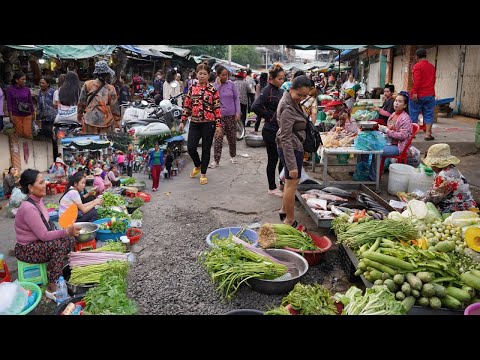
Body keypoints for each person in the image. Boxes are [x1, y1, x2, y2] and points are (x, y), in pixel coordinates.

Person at [15, 169, 80, 300]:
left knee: (69, 239)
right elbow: (44, 236)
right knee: (59, 245)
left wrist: (65, 231)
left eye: (44, 181)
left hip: (37, 243)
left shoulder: (38, 201)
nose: (45, 184)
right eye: (41, 182)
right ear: (31, 187)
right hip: (26, 249)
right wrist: (66, 231)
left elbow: (48, 225)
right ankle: (52, 288)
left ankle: (53, 265)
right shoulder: (28, 208)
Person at [276, 75, 312, 227]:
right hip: (290, 148)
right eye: (299, 94)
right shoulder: (288, 107)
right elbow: (285, 137)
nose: (302, 98)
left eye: (305, 95)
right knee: (291, 185)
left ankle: (284, 210)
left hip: (292, 146)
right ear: (291, 90)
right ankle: (289, 220)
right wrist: (292, 166)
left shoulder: (291, 100)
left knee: (288, 184)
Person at [179, 63, 221, 185]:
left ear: (209, 75)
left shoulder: (213, 90)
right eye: (200, 73)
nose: (202, 76)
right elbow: (187, 106)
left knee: (206, 149)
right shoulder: (192, 89)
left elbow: (217, 108)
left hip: (209, 123)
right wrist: (182, 121)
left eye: (204, 74)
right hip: (195, 123)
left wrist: (218, 125)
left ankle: (203, 173)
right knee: (191, 147)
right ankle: (197, 165)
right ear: (197, 74)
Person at [360, 91, 413, 181]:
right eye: (396, 101)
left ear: (404, 105)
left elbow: (403, 136)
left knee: (377, 151)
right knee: (366, 145)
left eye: (400, 101)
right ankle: (362, 172)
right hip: (389, 142)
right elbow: (389, 130)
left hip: (399, 146)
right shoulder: (393, 114)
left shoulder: (405, 118)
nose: (396, 103)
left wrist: (387, 131)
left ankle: (373, 178)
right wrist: (382, 130)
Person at [251, 63, 286, 197]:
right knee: (273, 159)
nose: (282, 81)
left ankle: (281, 184)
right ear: (271, 78)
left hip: (280, 130)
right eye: (279, 79)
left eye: (283, 79)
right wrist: (270, 116)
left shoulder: (281, 91)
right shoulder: (268, 90)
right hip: (270, 130)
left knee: (282, 159)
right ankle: (271, 187)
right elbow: (255, 106)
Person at [420, 144, 477, 213]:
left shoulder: (445, 176)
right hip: (465, 204)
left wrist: (416, 205)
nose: (431, 167)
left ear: (436, 164)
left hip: (461, 208)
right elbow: (433, 191)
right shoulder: (450, 168)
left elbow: (433, 198)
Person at [77, 60, 121, 135]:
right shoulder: (111, 88)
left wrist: (79, 116)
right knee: (105, 143)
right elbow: (115, 109)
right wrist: (117, 124)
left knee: (89, 143)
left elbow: (81, 103)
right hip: (106, 123)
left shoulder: (88, 85)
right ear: (107, 74)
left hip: (89, 121)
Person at [210, 65, 240, 168]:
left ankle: (233, 156)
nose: (225, 77)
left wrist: (237, 112)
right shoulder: (213, 86)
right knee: (218, 138)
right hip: (219, 116)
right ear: (218, 75)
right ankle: (216, 160)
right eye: (223, 75)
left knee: (232, 137)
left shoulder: (232, 85)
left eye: (226, 75)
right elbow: (213, 98)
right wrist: (218, 85)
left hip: (231, 115)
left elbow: (236, 99)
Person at [409, 48, 436, 141]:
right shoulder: (432, 66)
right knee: (429, 114)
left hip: (418, 94)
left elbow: (417, 80)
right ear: (425, 55)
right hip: (430, 94)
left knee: (414, 113)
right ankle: (428, 134)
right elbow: (434, 80)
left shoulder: (417, 66)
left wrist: (415, 92)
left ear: (416, 57)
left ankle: (413, 133)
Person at [6, 71, 34, 139]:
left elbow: (30, 101)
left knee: (27, 133)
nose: (24, 81)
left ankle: (29, 147)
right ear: (16, 80)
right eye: (22, 79)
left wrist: (33, 113)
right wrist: (10, 115)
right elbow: (9, 103)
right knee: (20, 134)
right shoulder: (10, 90)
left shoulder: (27, 89)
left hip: (27, 114)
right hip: (16, 114)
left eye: (25, 79)